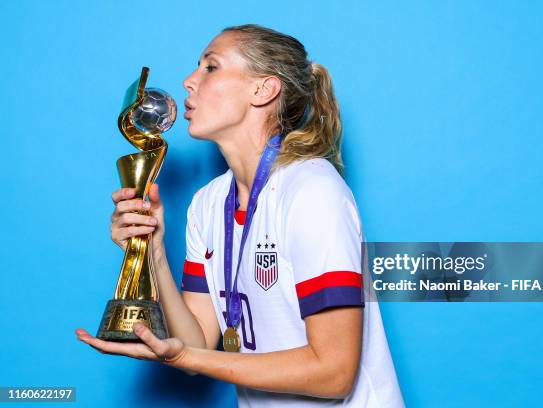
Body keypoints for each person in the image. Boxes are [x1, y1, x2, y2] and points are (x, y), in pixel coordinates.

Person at [76, 24, 404, 407]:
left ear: (262, 90)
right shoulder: (208, 203)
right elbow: (196, 342)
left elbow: (334, 373)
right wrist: (153, 251)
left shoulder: (312, 191)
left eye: (210, 67)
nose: (188, 81)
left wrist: (186, 355)